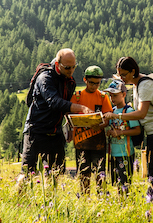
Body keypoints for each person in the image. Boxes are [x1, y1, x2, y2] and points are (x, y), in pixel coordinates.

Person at [103, 56, 153, 209]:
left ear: (133, 71)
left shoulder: (145, 85)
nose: (122, 78)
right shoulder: (137, 85)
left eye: (124, 75)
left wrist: (118, 116)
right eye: (119, 75)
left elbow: (141, 113)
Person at [20, 48, 91, 177]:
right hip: (36, 131)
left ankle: (52, 190)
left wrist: (69, 127)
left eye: (74, 67)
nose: (71, 71)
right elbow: (54, 102)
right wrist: (81, 108)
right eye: (67, 67)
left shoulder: (70, 81)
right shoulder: (45, 78)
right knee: (27, 173)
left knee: (57, 174)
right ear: (58, 64)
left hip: (56, 133)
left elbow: (65, 106)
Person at [71, 65, 113, 193]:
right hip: (81, 141)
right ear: (85, 80)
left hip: (98, 142)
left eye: (97, 83)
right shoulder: (77, 96)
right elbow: (69, 115)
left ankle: (102, 197)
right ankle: (85, 197)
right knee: (83, 173)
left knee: (100, 172)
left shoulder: (103, 97)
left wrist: (100, 125)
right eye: (91, 83)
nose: (94, 86)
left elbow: (108, 118)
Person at [105, 79, 141, 193]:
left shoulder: (128, 111)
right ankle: (120, 200)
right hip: (113, 153)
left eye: (115, 95)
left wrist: (120, 133)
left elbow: (137, 130)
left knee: (125, 183)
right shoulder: (112, 110)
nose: (112, 98)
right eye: (110, 96)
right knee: (116, 182)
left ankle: (125, 200)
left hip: (125, 153)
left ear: (124, 95)